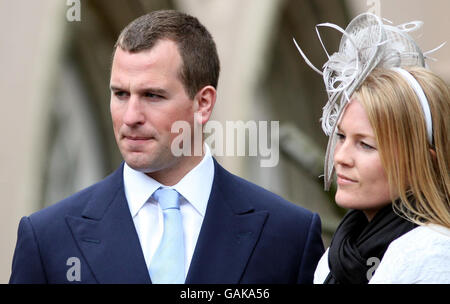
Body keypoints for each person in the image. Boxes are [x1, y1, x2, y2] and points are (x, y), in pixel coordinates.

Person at [9, 10, 324, 284]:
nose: (130, 117)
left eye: (152, 96)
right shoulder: (48, 239)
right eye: (120, 94)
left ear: (203, 103)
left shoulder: (288, 236)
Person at [294, 13, 449, 284]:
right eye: (341, 136)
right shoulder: (336, 256)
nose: (341, 158)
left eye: (365, 145)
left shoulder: (432, 254)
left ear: (423, 161)